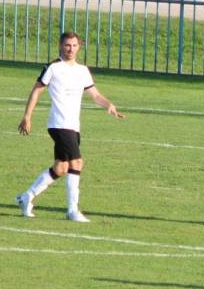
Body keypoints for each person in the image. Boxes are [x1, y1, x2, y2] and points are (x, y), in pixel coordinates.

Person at [15, 31, 124, 223]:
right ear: (60, 46)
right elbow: (36, 91)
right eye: (67, 45)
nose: (70, 49)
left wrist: (109, 105)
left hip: (73, 126)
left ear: (79, 47)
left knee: (61, 167)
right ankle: (72, 210)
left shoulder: (82, 70)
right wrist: (27, 116)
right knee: (77, 163)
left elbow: (95, 95)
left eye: (74, 45)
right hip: (59, 124)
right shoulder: (53, 67)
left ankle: (26, 197)